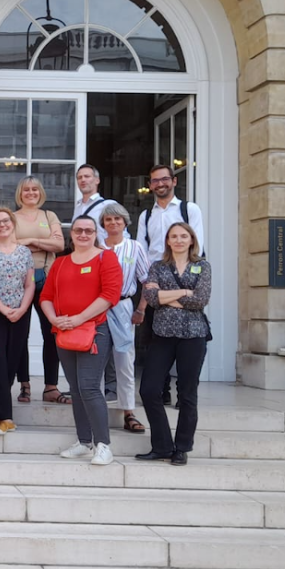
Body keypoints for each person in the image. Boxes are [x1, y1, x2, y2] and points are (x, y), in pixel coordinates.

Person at [40, 215, 122, 466]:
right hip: (64, 332)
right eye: (78, 230)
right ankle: (84, 441)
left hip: (94, 330)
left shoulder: (105, 258)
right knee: (76, 390)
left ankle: (103, 445)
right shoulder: (61, 262)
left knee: (88, 387)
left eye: (88, 230)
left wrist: (78, 318)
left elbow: (110, 295)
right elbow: (46, 296)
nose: (83, 234)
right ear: (71, 234)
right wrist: (54, 319)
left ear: (96, 233)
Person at [138, 222, 212, 466]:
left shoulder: (202, 266)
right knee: (149, 389)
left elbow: (201, 300)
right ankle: (161, 446)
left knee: (187, 393)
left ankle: (181, 447)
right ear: (167, 241)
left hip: (193, 336)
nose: (178, 240)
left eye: (183, 236)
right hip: (162, 336)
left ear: (191, 240)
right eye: (173, 236)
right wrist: (184, 293)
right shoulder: (158, 267)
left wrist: (167, 296)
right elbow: (151, 298)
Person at [135, 164, 207, 405]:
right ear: (150, 184)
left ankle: (185, 393)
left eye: (164, 179)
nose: (160, 184)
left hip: (186, 274)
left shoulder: (189, 209)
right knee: (157, 338)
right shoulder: (146, 215)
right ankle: (162, 390)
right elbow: (142, 251)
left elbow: (197, 243)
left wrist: (187, 285)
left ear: (174, 182)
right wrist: (149, 285)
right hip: (156, 278)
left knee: (187, 336)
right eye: (155, 181)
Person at [0, 207, 35, 435]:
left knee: (12, 362)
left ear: (12, 223)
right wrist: (2, 308)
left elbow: (29, 283)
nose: (2, 225)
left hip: (20, 313)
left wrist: (21, 308)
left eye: (6, 221)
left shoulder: (25, 252)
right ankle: (6, 418)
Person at [12, 176, 66, 404]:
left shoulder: (48, 215)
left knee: (50, 333)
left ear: (40, 192)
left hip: (47, 280)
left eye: (35, 189)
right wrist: (44, 242)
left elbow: (60, 245)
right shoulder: (12, 217)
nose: (31, 193)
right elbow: (10, 243)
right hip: (19, 280)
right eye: (26, 189)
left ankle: (51, 386)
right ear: (20, 193)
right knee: (20, 334)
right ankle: (24, 384)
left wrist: (31, 240)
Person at [99, 202, 150, 434]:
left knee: (125, 358)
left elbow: (147, 280)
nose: (113, 223)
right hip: (98, 307)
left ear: (124, 222)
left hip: (123, 304)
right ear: (103, 224)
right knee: (95, 358)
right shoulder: (96, 247)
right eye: (108, 220)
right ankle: (94, 409)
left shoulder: (134, 247)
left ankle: (129, 411)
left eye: (117, 219)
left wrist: (141, 309)